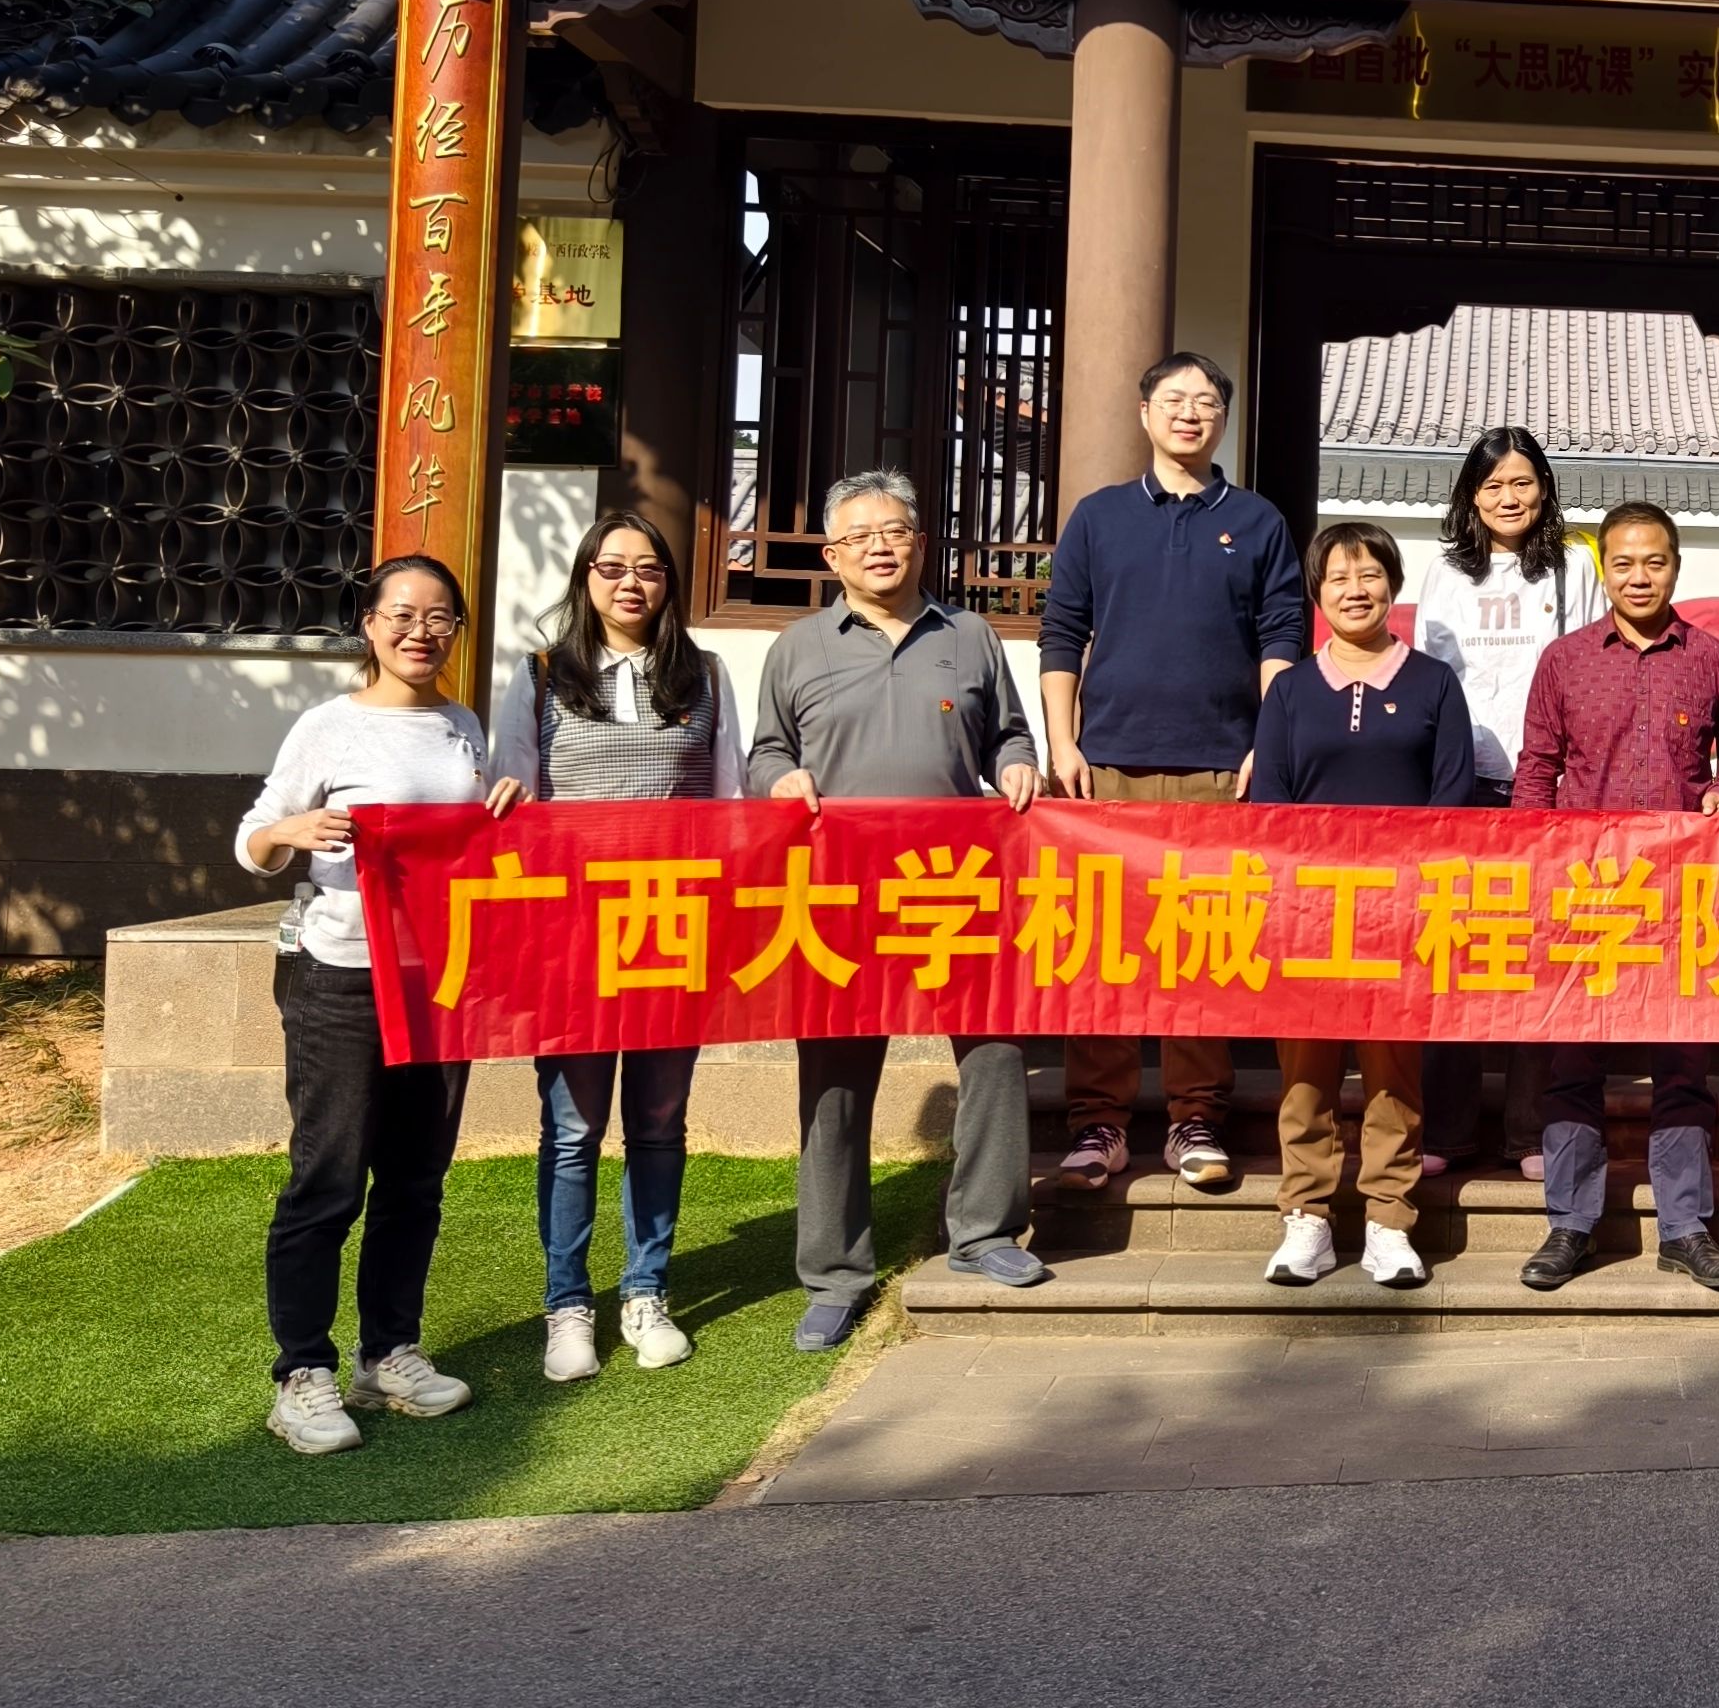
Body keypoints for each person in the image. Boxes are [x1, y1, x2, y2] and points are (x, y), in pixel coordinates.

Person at [759, 471, 1053, 1352]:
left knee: (995, 1052)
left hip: (953, 882)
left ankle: (985, 1233)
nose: (881, 547)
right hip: (839, 893)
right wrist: (780, 777)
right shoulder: (798, 647)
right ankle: (834, 1272)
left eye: (896, 531)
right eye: (861, 536)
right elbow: (767, 748)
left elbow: (1008, 731)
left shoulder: (969, 635)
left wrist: (1016, 761)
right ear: (832, 556)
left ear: (920, 542)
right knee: (834, 1080)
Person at [1036, 351, 1307, 1198]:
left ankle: (1196, 1117)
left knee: (1203, 950)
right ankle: (1099, 1122)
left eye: (1206, 402)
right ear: (1145, 411)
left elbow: (1281, 634)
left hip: (1219, 770)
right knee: (1104, 948)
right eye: (1175, 399)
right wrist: (1062, 743)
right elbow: (1061, 631)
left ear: (1223, 419)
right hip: (1106, 768)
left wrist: (1270, 740)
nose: (1190, 413)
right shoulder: (1099, 516)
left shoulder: (1257, 520)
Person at [236, 554, 489, 1455]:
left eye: (440, 618)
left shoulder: (464, 728)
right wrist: (290, 832)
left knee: (415, 1180)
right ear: (370, 625)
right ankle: (302, 1374)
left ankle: (389, 1355)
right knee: (329, 1179)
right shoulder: (328, 726)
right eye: (403, 616)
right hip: (342, 976)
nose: (422, 633)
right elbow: (253, 837)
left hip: (440, 981)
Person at [484, 509, 744, 1383]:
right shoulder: (539, 675)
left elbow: (730, 803)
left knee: (659, 1123)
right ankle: (568, 1306)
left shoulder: (705, 676)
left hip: (672, 929)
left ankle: (645, 1291)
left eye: (649, 569)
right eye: (613, 567)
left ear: (669, 584)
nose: (631, 583)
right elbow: (510, 786)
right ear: (585, 578)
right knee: (573, 1127)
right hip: (570, 938)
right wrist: (506, 800)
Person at [1508, 502, 1719, 1294]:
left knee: (1682, 1062)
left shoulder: (1713, 660)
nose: (1639, 576)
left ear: (1676, 567)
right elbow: (1537, 767)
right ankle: (1570, 1223)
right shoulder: (1565, 660)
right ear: (1605, 571)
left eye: (1654, 561)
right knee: (1573, 1061)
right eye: (1623, 563)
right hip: (1586, 893)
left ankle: (1686, 1228)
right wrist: (1532, 868)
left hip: (1682, 892)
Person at [1249, 520, 1477, 1292]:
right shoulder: (1289, 690)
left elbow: (1452, 796)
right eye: (1339, 578)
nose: (1356, 590)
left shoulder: (1433, 683)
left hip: (1400, 914)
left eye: (1370, 574)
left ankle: (1389, 1220)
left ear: (1393, 586)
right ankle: (1307, 1216)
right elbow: (1271, 803)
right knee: (1305, 1070)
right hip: (1309, 914)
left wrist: (1413, 890)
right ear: (1317, 593)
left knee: (1392, 1073)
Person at [1409, 428, 1575, 1178]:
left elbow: (1585, 668)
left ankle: (1530, 1130)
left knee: (1539, 956)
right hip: (1461, 783)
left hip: (1545, 784)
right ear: (1471, 495)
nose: (1509, 497)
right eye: (1493, 485)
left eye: (1522, 482)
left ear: (1543, 488)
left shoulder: (1574, 566)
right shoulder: (1444, 571)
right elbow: (1426, 680)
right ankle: (1446, 1128)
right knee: (1456, 953)